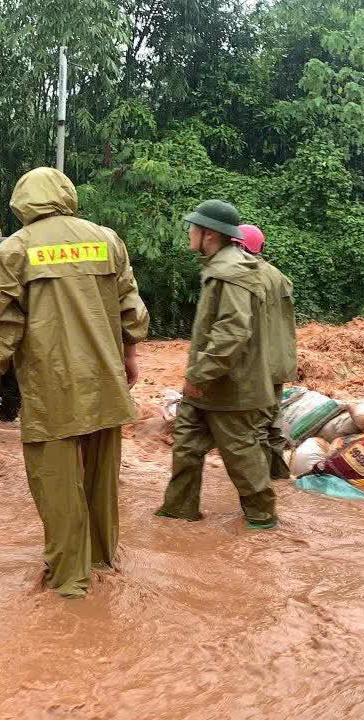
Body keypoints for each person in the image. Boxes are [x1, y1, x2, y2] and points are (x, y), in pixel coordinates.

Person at [0, 168, 149, 599]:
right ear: (66, 195)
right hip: (105, 378)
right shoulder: (106, 239)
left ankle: (69, 581)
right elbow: (130, 303)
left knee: (55, 482)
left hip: (51, 383)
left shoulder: (14, 249)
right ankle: (102, 561)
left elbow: (3, 321)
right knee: (102, 480)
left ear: (23, 202)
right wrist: (130, 357)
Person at [156, 200, 279, 531]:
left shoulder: (232, 272)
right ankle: (178, 511)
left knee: (240, 453)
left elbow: (231, 334)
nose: (189, 234)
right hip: (209, 385)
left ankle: (263, 520)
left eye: (193, 229)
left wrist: (200, 374)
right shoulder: (220, 266)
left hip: (229, 384)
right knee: (187, 442)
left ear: (208, 234)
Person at [239, 224, 297, 481]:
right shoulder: (279, 276)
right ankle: (279, 477)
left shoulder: (242, 276)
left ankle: (259, 484)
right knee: (273, 419)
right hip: (279, 360)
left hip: (256, 362)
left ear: (239, 246)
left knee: (254, 424)